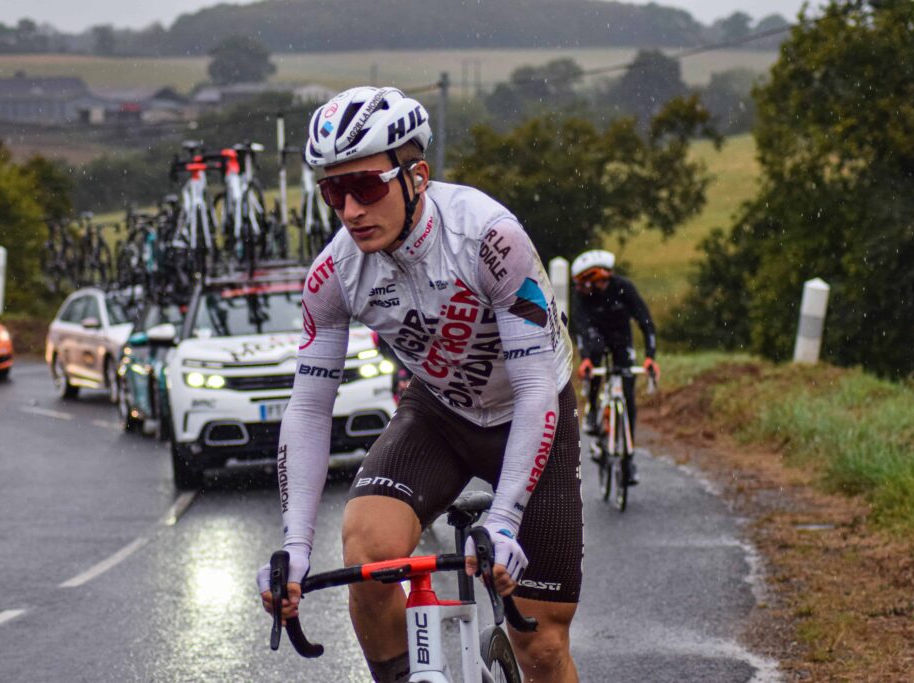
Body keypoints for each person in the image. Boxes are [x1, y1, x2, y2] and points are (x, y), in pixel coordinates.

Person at [257, 86, 582, 682]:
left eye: (365, 187)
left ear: (417, 177)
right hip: (440, 413)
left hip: (531, 411)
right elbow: (308, 410)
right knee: (368, 556)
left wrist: (505, 519)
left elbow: (536, 389)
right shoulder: (334, 274)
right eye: (333, 191)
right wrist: (295, 547)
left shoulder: (490, 238)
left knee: (540, 642)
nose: (350, 209)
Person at [570, 249, 659, 483]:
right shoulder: (581, 296)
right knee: (595, 360)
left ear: (598, 279)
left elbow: (646, 321)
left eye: (583, 283)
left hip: (621, 340)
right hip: (596, 339)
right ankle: (592, 409)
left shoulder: (623, 287)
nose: (579, 288)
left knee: (628, 397)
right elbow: (581, 328)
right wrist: (585, 359)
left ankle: (628, 460)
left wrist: (650, 357)